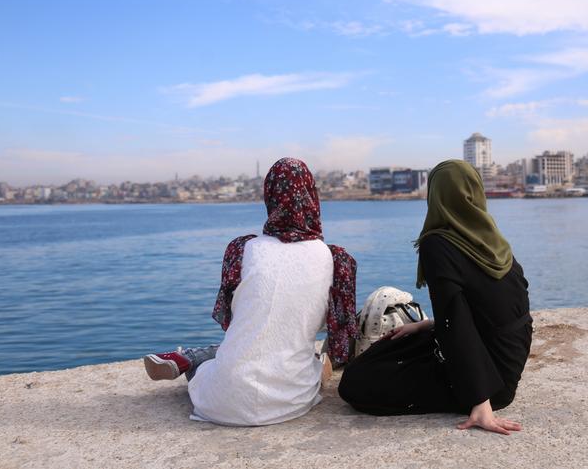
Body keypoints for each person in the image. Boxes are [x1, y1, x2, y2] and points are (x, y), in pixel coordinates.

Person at [142, 157, 358, 426]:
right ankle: (191, 359)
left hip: (221, 402)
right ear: (311, 195)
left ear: (269, 197)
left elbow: (230, 323)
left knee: (223, 357)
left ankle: (188, 358)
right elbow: (341, 344)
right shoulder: (336, 260)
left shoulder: (241, 250)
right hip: (290, 401)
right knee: (314, 362)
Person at [338, 159, 531, 435]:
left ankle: (476, 398)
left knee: (355, 382)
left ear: (436, 195)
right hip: (507, 359)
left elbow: (457, 322)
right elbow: (499, 309)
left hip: (487, 383)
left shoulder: (437, 244)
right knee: (390, 347)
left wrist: (480, 401)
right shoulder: (489, 239)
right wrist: (425, 325)